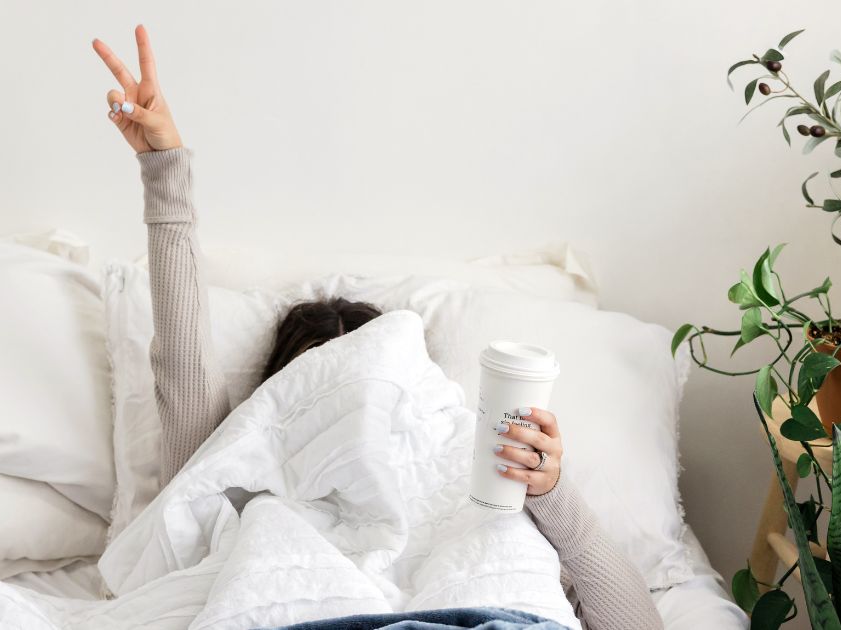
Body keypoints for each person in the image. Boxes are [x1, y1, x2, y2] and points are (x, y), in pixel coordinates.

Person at [92, 26, 663, 630]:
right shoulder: (241, 478)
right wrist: (165, 172)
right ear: (276, 400)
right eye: (320, 373)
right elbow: (184, 373)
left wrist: (550, 492)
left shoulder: (478, 474)